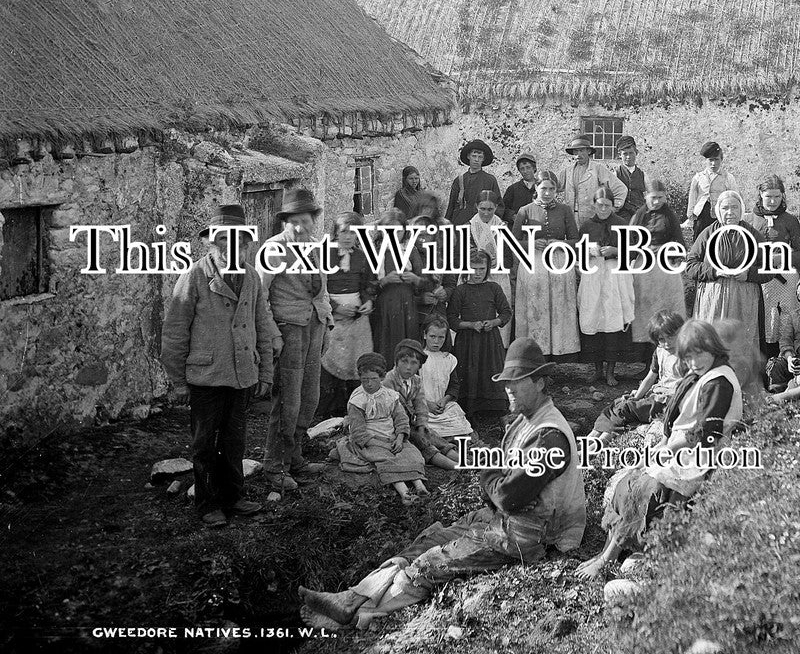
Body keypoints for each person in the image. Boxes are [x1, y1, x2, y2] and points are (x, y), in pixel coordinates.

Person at [298, 338, 585, 629]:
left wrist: (489, 473)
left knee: (430, 564)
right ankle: (352, 596)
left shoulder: (549, 434)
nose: (508, 388)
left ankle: (357, 617)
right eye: (506, 381)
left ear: (540, 383)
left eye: (518, 381)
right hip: (510, 516)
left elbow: (508, 497)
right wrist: (499, 485)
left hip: (533, 534)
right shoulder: (526, 420)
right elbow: (505, 491)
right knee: (430, 539)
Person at [574, 319, 743, 579]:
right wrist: (661, 447)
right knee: (630, 480)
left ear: (714, 349)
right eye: (689, 356)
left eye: (700, 354)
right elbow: (676, 421)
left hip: (702, 454)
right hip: (682, 449)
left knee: (644, 489)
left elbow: (703, 431)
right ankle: (615, 549)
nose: (695, 362)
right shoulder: (702, 374)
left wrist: (665, 450)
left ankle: (610, 557)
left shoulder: (718, 382)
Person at [161, 204, 279, 527]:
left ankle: (234, 496)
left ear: (246, 243)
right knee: (204, 443)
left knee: (234, 440)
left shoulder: (252, 276)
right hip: (206, 376)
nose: (232, 247)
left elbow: (262, 325)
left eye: (238, 240)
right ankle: (207, 502)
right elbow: (174, 332)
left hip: (241, 374)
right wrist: (179, 382)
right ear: (211, 243)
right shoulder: (195, 276)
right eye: (223, 240)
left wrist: (265, 371)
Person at [259, 188, 333, 492]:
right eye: (295, 222)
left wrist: (327, 323)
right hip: (288, 329)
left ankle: (295, 457)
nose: (301, 227)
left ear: (314, 221)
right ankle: (275, 467)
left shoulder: (316, 247)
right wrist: (272, 334)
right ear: (284, 223)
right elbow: (260, 296)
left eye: (306, 220)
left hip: (314, 327)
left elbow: (322, 290)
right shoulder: (274, 249)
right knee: (287, 401)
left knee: (309, 397)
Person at [330, 353, 426, 505]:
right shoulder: (358, 400)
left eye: (373, 379)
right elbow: (358, 432)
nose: (369, 384)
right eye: (364, 380)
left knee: (411, 454)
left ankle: (420, 486)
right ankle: (405, 493)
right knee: (386, 459)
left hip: (392, 437)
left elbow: (400, 418)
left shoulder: (390, 395)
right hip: (371, 440)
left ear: (382, 378)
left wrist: (400, 438)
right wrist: (383, 444)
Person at [685, 190, 769, 350]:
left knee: (740, 345)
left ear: (741, 210)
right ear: (718, 211)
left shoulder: (753, 235)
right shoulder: (708, 233)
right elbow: (690, 265)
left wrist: (749, 274)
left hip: (743, 299)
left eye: (735, 208)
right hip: (713, 299)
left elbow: (769, 270)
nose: (730, 212)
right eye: (725, 208)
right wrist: (714, 271)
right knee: (712, 342)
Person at [587, 310, 685, 444]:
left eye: (671, 337)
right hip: (657, 395)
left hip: (669, 402)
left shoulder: (686, 355)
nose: (667, 343)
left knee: (625, 409)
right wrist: (638, 396)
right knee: (617, 403)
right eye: (661, 339)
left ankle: (601, 441)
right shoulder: (660, 351)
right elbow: (651, 376)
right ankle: (592, 436)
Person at [512, 170, 582, 359]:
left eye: (552, 189)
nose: (548, 192)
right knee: (536, 306)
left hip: (559, 262)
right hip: (533, 263)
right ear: (536, 188)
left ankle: (558, 353)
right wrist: (532, 243)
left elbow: (575, 239)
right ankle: (535, 353)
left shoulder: (565, 210)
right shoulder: (525, 210)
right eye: (544, 188)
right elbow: (513, 240)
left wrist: (560, 243)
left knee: (559, 306)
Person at [317, 211, 379, 421]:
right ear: (335, 233)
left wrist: (367, 301)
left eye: (353, 233)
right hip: (332, 315)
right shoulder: (324, 253)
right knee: (329, 359)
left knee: (355, 360)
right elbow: (317, 287)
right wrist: (334, 307)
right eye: (344, 232)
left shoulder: (362, 256)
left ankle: (352, 409)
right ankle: (326, 412)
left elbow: (369, 283)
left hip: (356, 316)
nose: (348, 237)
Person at [743, 175, 800, 358]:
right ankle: (762, 363)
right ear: (760, 195)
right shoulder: (749, 220)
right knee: (762, 319)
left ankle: (785, 359)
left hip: (785, 278)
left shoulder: (790, 220)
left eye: (777, 197)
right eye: (768, 196)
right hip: (760, 277)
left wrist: (782, 258)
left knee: (786, 320)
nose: (772, 201)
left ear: (783, 196)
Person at [578, 186, 637, 386]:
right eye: (600, 205)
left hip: (614, 277)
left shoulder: (622, 224)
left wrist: (615, 250)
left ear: (613, 206)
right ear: (594, 205)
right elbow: (578, 254)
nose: (603, 209)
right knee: (593, 318)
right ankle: (597, 370)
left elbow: (632, 253)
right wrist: (588, 252)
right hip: (593, 276)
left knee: (612, 320)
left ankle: (611, 371)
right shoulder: (586, 226)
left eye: (607, 205)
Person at [447, 251, 513, 418]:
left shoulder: (494, 288)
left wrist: (493, 322)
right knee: (469, 372)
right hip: (467, 342)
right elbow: (452, 318)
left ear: (487, 269)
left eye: (481, 269)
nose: (477, 273)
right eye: (473, 268)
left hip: (490, 341)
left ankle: (492, 409)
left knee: (490, 370)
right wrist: (470, 325)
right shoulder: (460, 290)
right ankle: (471, 409)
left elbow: (506, 312)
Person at [628, 179, 688, 360]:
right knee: (645, 310)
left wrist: (668, 250)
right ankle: (648, 362)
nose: (656, 202)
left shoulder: (670, 216)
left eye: (660, 198)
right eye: (653, 198)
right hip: (644, 267)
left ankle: (670, 357)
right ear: (646, 196)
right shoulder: (639, 216)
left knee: (666, 309)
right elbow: (630, 240)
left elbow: (679, 242)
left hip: (665, 268)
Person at [384, 338, 458, 475]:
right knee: (420, 441)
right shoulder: (390, 380)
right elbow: (396, 412)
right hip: (394, 425)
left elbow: (421, 404)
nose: (408, 367)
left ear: (419, 366)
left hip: (410, 421)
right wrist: (414, 429)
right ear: (396, 362)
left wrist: (422, 423)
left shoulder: (416, 381)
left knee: (430, 434)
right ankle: (453, 465)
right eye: (404, 362)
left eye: (414, 363)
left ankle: (462, 459)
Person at [371, 208, 430, 370]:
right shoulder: (376, 253)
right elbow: (368, 286)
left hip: (406, 307)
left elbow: (425, 281)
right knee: (386, 344)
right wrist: (384, 280)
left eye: (398, 230)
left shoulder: (410, 251)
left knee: (406, 345)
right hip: (385, 308)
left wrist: (415, 279)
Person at [467, 190, 513, 346]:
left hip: (497, 278)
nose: (486, 213)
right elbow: (462, 256)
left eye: (490, 209)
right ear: (476, 207)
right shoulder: (469, 227)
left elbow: (509, 260)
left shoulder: (501, 228)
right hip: (476, 277)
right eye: (482, 209)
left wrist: (498, 261)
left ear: (496, 208)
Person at [419, 317, 474, 438]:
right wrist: (427, 404)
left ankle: (456, 439)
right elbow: (412, 388)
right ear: (424, 335)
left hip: (441, 405)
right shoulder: (418, 358)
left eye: (441, 337)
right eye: (432, 336)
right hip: (423, 405)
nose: (436, 342)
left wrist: (444, 401)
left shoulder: (449, 359)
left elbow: (454, 385)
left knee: (455, 414)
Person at [558, 135, 628, 227]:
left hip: (593, 219)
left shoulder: (597, 169)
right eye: (575, 151)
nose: (578, 154)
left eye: (581, 150)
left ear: (589, 151)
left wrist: (611, 208)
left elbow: (621, 189)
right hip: (571, 220)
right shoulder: (567, 171)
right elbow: (555, 188)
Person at [685, 141, 739, 236]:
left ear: (721, 160)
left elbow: (735, 197)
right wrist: (690, 215)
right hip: (701, 215)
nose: (713, 164)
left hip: (720, 215)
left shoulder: (728, 177)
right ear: (705, 161)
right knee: (700, 239)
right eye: (710, 160)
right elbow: (692, 197)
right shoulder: (698, 177)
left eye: (716, 160)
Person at [448, 139, 502, 227]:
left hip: (482, 225)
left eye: (480, 157)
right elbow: (451, 206)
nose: (476, 160)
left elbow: (498, 206)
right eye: (474, 156)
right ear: (469, 156)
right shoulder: (459, 180)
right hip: (460, 225)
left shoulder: (490, 180)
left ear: (483, 159)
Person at [612, 135, 646, 223]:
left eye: (631, 153)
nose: (628, 157)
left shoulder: (643, 175)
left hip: (640, 213)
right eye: (625, 154)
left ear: (636, 153)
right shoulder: (616, 174)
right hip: (622, 214)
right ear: (620, 155)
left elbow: (650, 193)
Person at [501, 153, 539, 226]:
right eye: (522, 169)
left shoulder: (542, 187)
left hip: (538, 228)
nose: (525, 171)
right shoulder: (513, 189)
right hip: (517, 228)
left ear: (534, 168)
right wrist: (513, 216)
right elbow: (503, 208)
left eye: (528, 167)